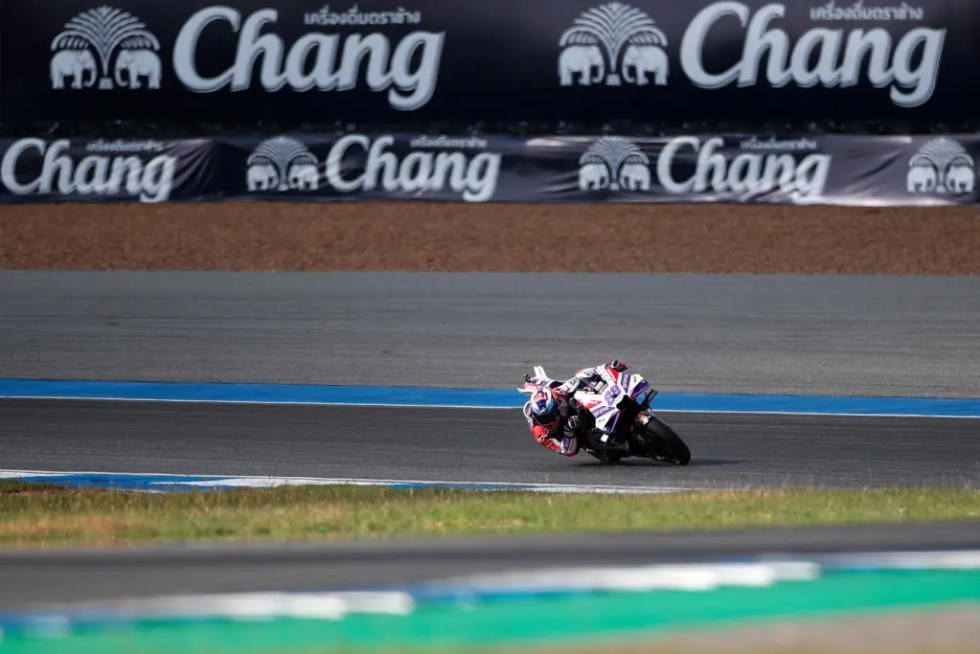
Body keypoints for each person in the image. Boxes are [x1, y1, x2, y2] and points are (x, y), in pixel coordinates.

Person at [522, 360, 629, 457]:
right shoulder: (541, 434)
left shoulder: (558, 393)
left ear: (556, 408)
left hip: (572, 408)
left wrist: (608, 367)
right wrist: (569, 431)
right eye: (543, 419)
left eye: (548, 416)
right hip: (570, 434)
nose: (547, 421)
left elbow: (579, 378)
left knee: (582, 376)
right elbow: (567, 451)